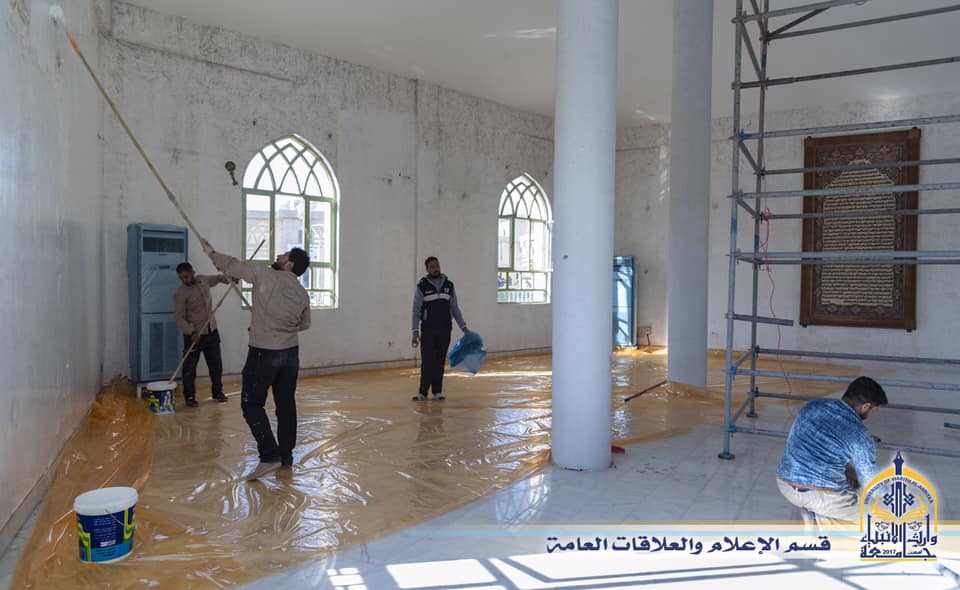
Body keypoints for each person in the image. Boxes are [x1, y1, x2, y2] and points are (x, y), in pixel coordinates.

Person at [203, 241, 311, 480]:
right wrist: (277, 326)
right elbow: (304, 324)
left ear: (289, 264)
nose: (279, 255)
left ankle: (269, 455)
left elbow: (232, 265)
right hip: (290, 354)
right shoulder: (302, 293)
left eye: (284, 255)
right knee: (286, 404)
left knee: (251, 404)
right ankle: (286, 456)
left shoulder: (265, 275)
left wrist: (211, 253)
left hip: (264, 352)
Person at [777, 376, 888, 526]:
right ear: (865, 406)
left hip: (784, 483)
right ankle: (819, 518)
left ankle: (814, 508)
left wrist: (847, 471)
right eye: (873, 411)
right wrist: (889, 497)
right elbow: (869, 481)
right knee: (881, 517)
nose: (870, 415)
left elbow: (802, 447)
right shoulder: (860, 435)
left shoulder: (813, 405)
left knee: (847, 478)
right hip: (819, 495)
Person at [411, 256, 469, 401]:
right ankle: (423, 392)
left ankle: (437, 391)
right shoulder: (422, 287)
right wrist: (415, 331)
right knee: (428, 362)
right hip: (428, 330)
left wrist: (463, 327)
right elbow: (416, 310)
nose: (435, 268)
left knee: (439, 361)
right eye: (432, 267)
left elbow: (455, 308)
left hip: (445, 329)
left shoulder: (449, 286)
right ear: (427, 269)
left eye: (437, 265)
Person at [173, 262, 229, 407]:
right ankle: (190, 397)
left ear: (192, 272)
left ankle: (217, 392)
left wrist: (228, 279)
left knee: (216, 365)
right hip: (194, 335)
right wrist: (191, 331)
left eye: (186, 276)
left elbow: (217, 279)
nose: (184, 280)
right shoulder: (180, 293)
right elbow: (179, 318)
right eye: (181, 278)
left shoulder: (203, 280)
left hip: (211, 331)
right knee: (189, 369)